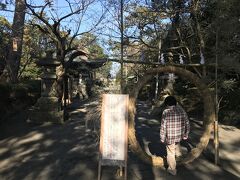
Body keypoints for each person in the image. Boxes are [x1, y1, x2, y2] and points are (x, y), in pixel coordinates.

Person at [160, 96, 190, 176]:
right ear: (175, 103)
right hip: (179, 135)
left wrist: (162, 138)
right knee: (176, 145)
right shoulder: (181, 110)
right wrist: (186, 134)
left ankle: (172, 170)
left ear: (166, 104)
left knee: (170, 153)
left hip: (170, 137)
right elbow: (187, 122)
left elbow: (163, 126)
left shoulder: (166, 112)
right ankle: (179, 157)